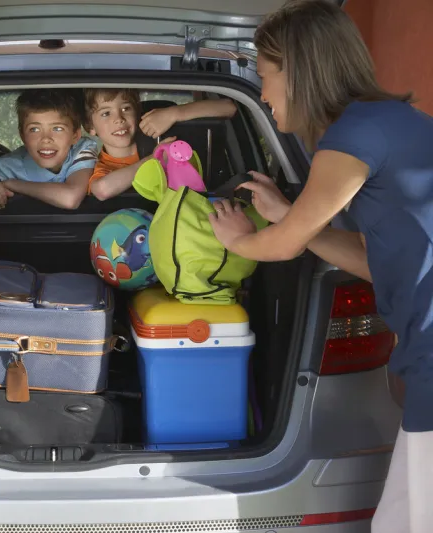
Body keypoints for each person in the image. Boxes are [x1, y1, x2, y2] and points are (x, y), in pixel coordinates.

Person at [206, 1, 433, 531]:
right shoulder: (393, 122)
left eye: (265, 76)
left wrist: (241, 240)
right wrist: (286, 216)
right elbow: (375, 262)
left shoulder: (352, 135)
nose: (263, 93)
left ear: (300, 71)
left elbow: (285, 246)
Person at [85, 88, 237, 200]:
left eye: (126, 108)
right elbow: (102, 190)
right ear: (90, 127)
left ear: (137, 114)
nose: (119, 119)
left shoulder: (162, 137)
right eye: (106, 113)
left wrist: (174, 113)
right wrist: (155, 158)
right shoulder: (103, 167)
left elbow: (229, 107)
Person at [0, 89, 98, 210]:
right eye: (34, 129)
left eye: (57, 129)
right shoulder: (3, 168)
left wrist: (13, 184)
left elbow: (71, 198)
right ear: (22, 136)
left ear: (75, 135)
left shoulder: (81, 150)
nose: (46, 139)